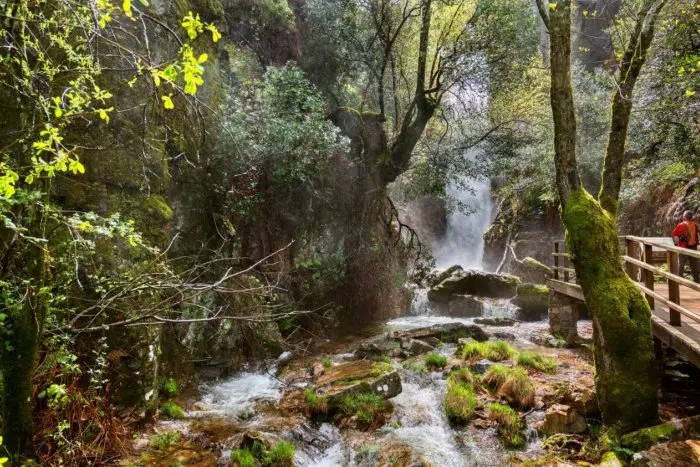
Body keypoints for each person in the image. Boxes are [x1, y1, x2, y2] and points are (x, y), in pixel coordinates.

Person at [672, 210, 700, 283]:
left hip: (683, 247)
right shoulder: (695, 225)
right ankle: (697, 281)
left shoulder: (681, 225)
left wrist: (676, 244)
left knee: (681, 264)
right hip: (693, 247)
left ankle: (678, 281)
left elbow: (674, 234)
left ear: (684, 217)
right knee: (694, 265)